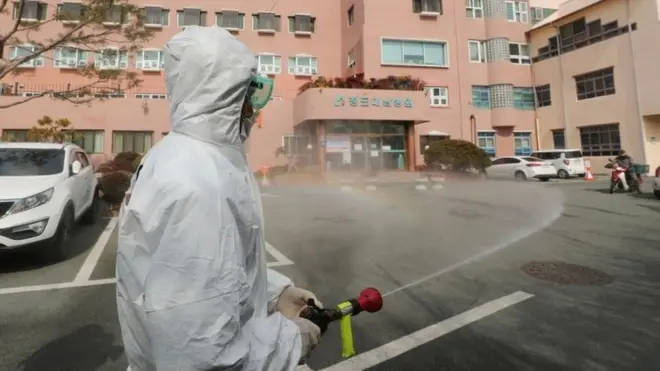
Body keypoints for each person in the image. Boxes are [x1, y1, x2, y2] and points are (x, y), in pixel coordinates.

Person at [115, 26, 323, 371]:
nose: (256, 102)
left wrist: (274, 294)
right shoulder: (198, 182)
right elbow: (198, 351)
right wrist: (290, 340)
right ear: (224, 93)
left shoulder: (186, 155)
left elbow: (213, 270)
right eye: (250, 89)